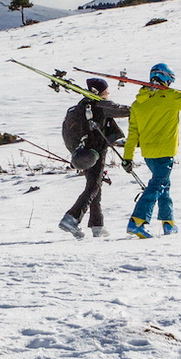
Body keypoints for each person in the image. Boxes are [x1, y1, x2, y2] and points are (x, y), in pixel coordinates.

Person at [121, 63, 181, 238]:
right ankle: (136, 222)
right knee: (157, 185)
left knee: (163, 185)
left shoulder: (138, 103)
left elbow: (132, 134)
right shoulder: (170, 96)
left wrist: (128, 157)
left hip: (148, 154)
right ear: (166, 79)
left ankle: (168, 223)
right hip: (165, 152)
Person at [58, 78, 128, 239]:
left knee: (94, 185)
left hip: (82, 153)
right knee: (94, 186)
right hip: (96, 151)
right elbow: (123, 110)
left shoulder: (82, 106)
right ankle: (72, 217)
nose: (108, 93)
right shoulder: (100, 105)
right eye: (106, 91)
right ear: (100, 92)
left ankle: (97, 225)